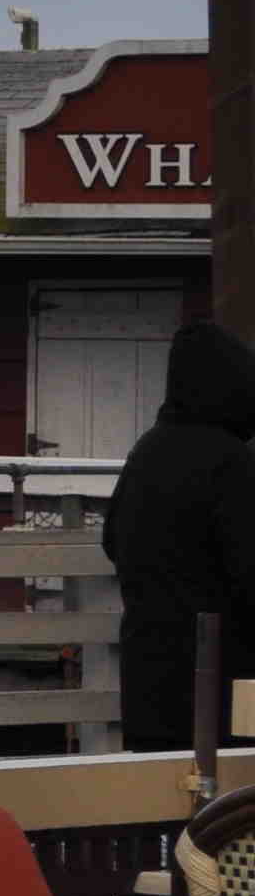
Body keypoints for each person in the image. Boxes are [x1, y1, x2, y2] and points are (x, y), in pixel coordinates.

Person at [103, 319, 255, 755]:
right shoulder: (231, 462)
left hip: (147, 679)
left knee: (155, 792)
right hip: (218, 687)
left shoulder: (146, 451)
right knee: (222, 796)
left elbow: (111, 540)